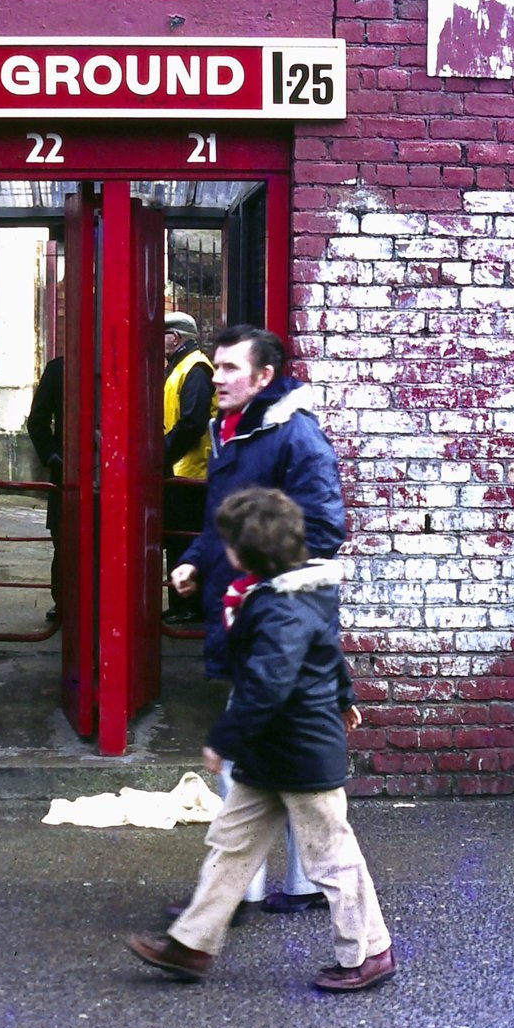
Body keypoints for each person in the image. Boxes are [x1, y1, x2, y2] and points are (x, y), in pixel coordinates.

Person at [127, 487, 397, 993]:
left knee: (331, 857)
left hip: (298, 752)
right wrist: (343, 696)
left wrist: (224, 738)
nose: (223, 551)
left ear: (247, 553)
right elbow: (328, 652)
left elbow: (268, 684)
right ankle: (190, 945)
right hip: (273, 751)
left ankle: (369, 952)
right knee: (230, 845)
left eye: (228, 544)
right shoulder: (292, 593)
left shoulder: (280, 609)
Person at [171, 324, 347, 915]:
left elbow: (323, 530)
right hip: (250, 608)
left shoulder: (295, 436)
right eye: (215, 367)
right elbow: (225, 518)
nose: (215, 378)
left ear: (265, 376)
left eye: (229, 369)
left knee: (252, 751)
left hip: (275, 618)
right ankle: (293, 888)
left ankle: (242, 897)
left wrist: (256, 584)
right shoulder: (235, 429)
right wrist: (198, 561)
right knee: (284, 760)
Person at [162, 312, 216, 624]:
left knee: (186, 538)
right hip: (180, 468)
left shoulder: (195, 367)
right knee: (176, 539)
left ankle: (192, 605)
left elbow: (193, 422)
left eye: (164, 333)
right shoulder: (181, 366)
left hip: (192, 470)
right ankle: (181, 604)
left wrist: (163, 451)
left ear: (177, 337)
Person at [27, 355, 63, 622]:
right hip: (69, 475)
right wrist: (52, 455)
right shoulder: (59, 369)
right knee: (63, 542)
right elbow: (37, 420)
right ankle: (63, 599)